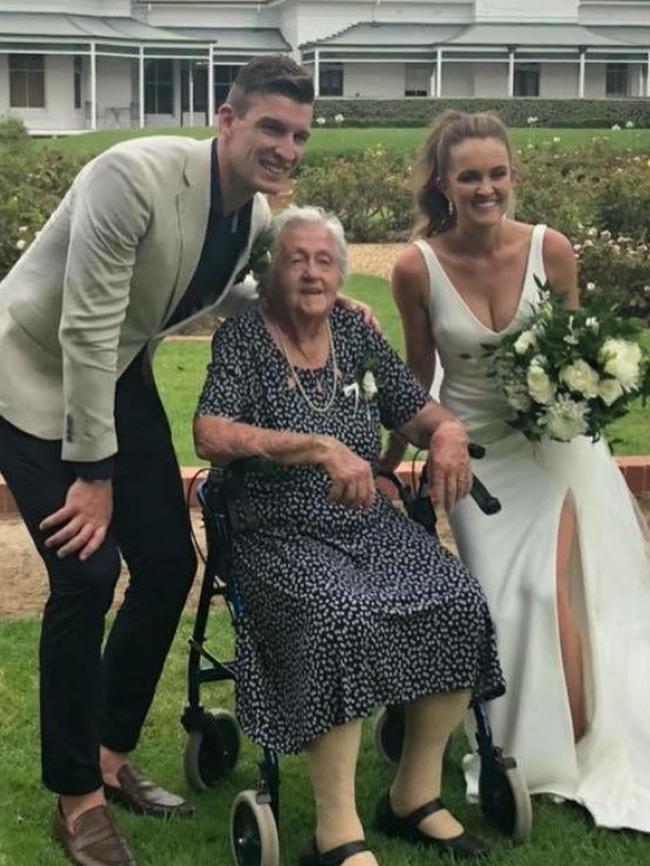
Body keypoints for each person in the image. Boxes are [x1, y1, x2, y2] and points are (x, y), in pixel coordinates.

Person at [0, 55, 378, 866]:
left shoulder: (245, 217)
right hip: (30, 375)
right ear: (227, 118)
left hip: (114, 373)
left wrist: (299, 296)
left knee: (169, 565)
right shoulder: (130, 177)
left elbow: (203, 288)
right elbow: (86, 327)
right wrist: (94, 479)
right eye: (270, 126)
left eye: (299, 134)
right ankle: (76, 797)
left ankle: (108, 753)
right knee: (86, 575)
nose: (284, 147)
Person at [193, 205, 506, 866]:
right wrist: (309, 446)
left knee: (456, 599)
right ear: (273, 271)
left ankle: (412, 797)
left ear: (341, 270)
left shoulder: (355, 334)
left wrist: (447, 432)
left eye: (324, 259)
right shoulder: (243, 339)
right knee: (337, 615)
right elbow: (210, 433)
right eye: (296, 258)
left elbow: (414, 407)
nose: (311, 271)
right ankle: (335, 830)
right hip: (274, 529)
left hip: (365, 520)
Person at [383, 109, 650, 832]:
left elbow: (577, 348)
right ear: (443, 183)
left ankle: (569, 743)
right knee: (498, 607)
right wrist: (386, 462)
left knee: (546, 592)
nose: (486, 188)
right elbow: (415, 373)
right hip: (471, 463)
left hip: (553, 452)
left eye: (497, 173)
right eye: (470, 176)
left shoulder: (551, 249)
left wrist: (583, 388)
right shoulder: (416, 267)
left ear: (513, 175)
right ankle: (514, 752)